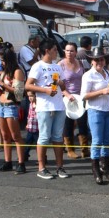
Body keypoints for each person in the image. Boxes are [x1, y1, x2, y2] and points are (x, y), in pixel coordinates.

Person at [25, 39, 74, 180]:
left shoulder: (57, 66)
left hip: (59, 105)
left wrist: (60, 83)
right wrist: (44, 90)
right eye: (54, 50)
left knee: (58, 137)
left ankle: (60, 167)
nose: (56, 52)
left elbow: (64, 87)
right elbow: (28, 85)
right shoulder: (38, 66)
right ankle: (42, 168)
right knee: (44, 137)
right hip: (45, 106)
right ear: (47, 51)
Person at [80, 48, 109, 185]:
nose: (99, 62)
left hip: (108, 109)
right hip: (95, 110)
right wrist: (102, 91)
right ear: (91, 61)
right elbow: (84, 95)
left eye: (102, 59)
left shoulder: (107, 73)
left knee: (106, 141)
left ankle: (106, 168)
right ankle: (96, 170)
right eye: (97, 59)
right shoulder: (88, 75)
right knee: (97, 141)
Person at [0, 45, 26, 174]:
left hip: (11, 105)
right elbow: (2, 92)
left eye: (3, 60)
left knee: (16, 136)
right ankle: (7, 161)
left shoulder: (17, 72)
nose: (1, 62)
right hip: (1, 104)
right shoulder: (5, 72)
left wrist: (2, 83)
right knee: (4, 136)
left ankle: (21, 163)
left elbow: (18, 93)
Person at [59, 43, 89, 159]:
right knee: (68, 123)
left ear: (76, 52)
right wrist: (66, 94)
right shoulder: (60, 65)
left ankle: (84, 149)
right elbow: (57, 83)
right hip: (66, 97)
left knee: (82, 122)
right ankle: (70, 149)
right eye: (67, 51)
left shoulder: (81, 63)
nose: (69, 53)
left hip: (80, 97)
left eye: (71, 51)